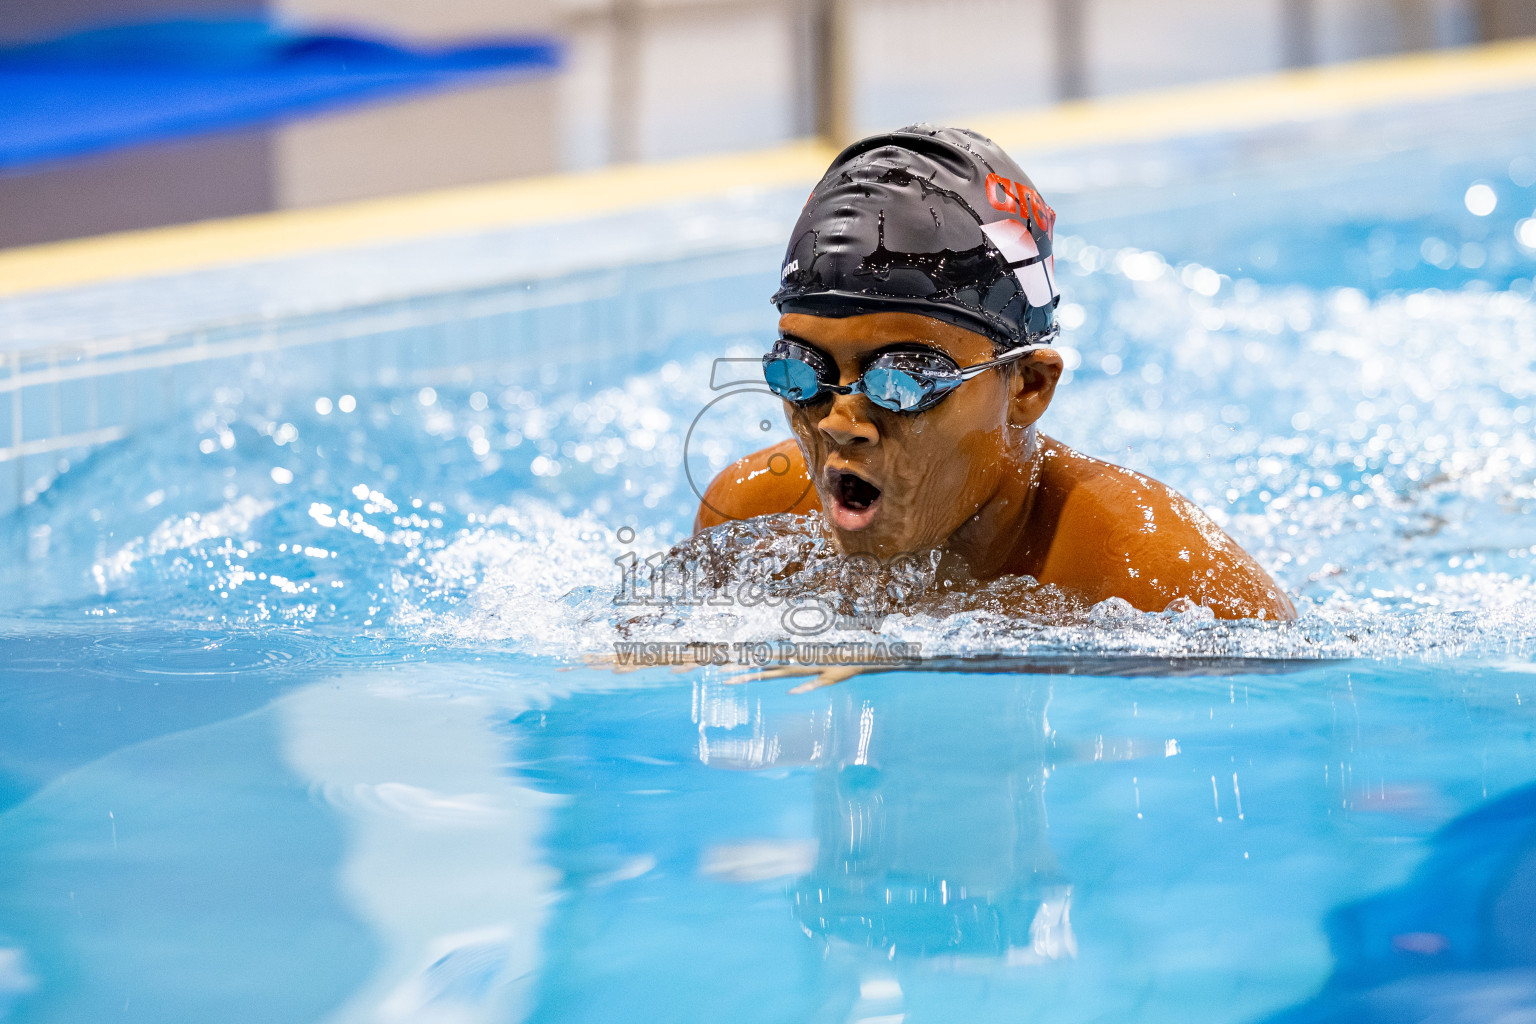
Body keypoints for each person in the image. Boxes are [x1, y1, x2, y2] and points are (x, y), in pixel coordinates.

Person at [694, 125, 1293, 621]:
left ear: (1028, 387)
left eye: (904, 379)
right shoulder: (752, 517)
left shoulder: (1159, 580)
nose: (840, 423)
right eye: (802, 374)